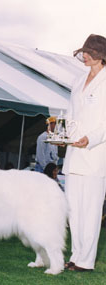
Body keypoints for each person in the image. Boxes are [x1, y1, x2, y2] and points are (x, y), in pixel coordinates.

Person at [62, 34, 106, 272]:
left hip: (95, 154)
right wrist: (68, 134)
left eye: (89, 52)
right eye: (84, 51)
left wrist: (90, 138)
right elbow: (70, 112)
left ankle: (86, 261)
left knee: (90, 210)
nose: (84, 55)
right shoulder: (78, 80)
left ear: (100, 55)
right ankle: (75, 256)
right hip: (74, 153)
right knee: (74, 210)